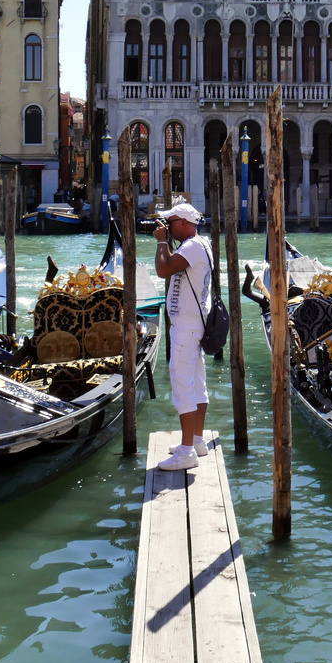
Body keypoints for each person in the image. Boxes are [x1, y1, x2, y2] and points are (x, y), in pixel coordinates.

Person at [152, 201, 213, 471]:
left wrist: (161, 243)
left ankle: (187, 451)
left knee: (182, 385)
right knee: (197, 382)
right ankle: (197, 441)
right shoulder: (202, 244)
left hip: (187, 327)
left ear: (186, 224)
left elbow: (163, 270)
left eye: (171, 222)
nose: (167, 227)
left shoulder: (191, 247)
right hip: (194, 324)